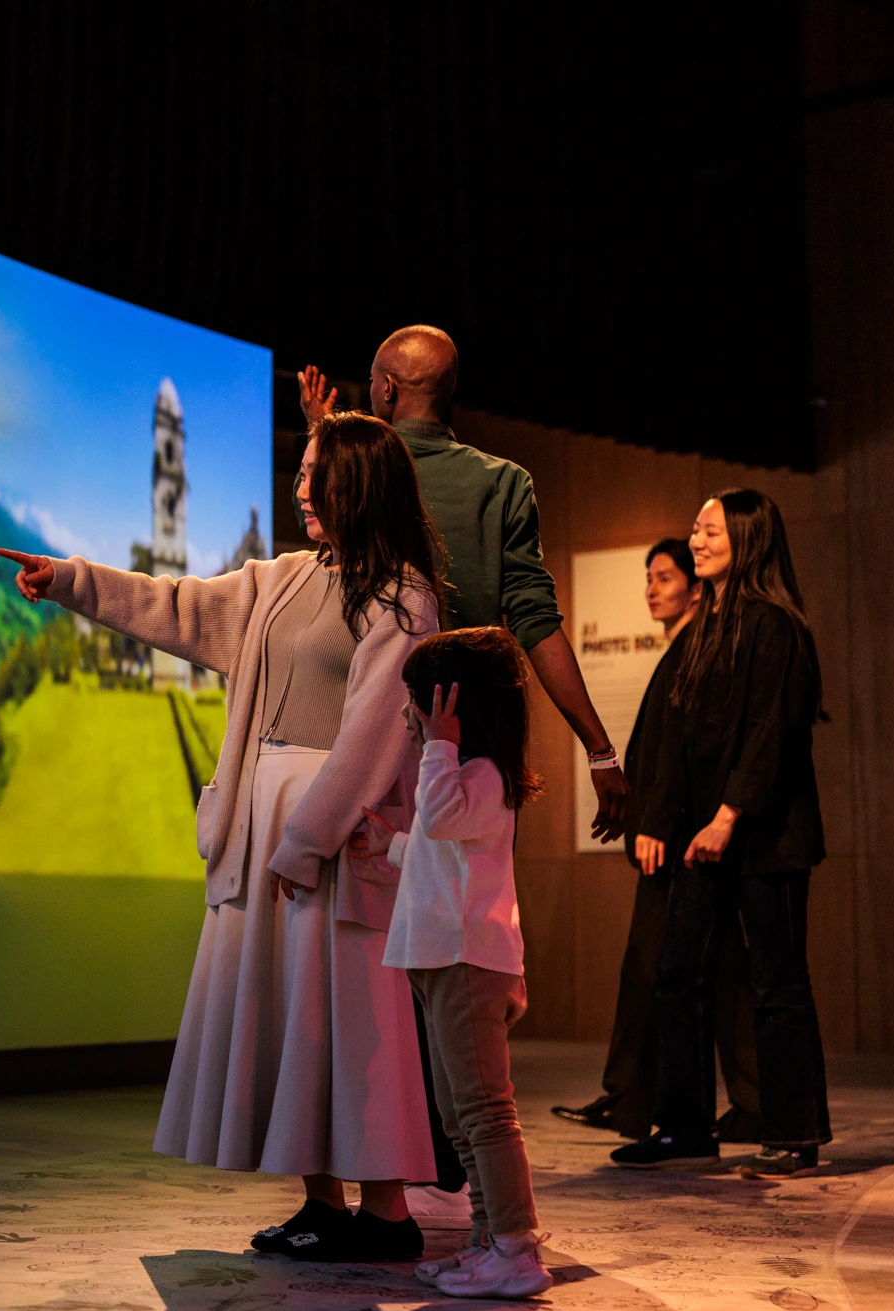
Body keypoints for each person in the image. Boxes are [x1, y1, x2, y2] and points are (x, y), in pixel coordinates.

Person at [0, 411, 442, 1262]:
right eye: (302, 472)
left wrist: (306, 840)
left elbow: (374, 737)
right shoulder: (280, 580)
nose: (302, 489)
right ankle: (322, 1203)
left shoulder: (403, 596)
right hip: (265, 815)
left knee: (351, 1017)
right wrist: (69, 581)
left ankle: (388, 1215)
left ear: (365, 484)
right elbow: (177, 606)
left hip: (333, 834)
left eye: (321, 474)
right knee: (289, 1017)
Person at [299, 325, 630, 1205]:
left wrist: (321, 443)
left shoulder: (354, 466)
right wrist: (599, 747)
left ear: (384, 389)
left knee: (369, 972)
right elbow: (534, 617)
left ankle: (385, 1186)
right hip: (472, 734)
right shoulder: (502, 483)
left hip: (371, 741)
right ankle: (465, 1167)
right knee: (466, 955)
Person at [611, 490, 828, 1179]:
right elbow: (674, 739)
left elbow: (771, 736)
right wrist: (664, 822)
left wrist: (730, 815)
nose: (695, 541)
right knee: (676, 973)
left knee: (776, 984)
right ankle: (683, 1127)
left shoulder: (777, 626)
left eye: (707, 531)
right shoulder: (704, 630)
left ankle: (794, 1132)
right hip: (701, 839)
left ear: (746, 536)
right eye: (695, 529)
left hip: (765, 836)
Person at [350, 627, 552, 1298]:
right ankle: (487, 1240)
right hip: (443, 961)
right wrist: (391, 845)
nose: (409, 715)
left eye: (418, 702)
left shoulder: (483, 775)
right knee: (457, 1115)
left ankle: (517, 1247)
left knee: (485, 1111)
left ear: (453, 705)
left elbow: (440, 820)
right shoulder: (463, 781)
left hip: (469, 963)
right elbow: (442, 852)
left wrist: (440, 741)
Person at [552, 539, 761, 1139]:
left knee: (674, 968)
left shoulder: (698, 648)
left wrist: (656, 824)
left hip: (676, 840)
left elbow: (682, 752)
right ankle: (638, 1097)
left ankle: (655, 1102)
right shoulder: (687, 648)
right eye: (648, 577)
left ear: (696, 588)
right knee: (685, 968)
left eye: (665, 577)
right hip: (677, 835)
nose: (651, 588)